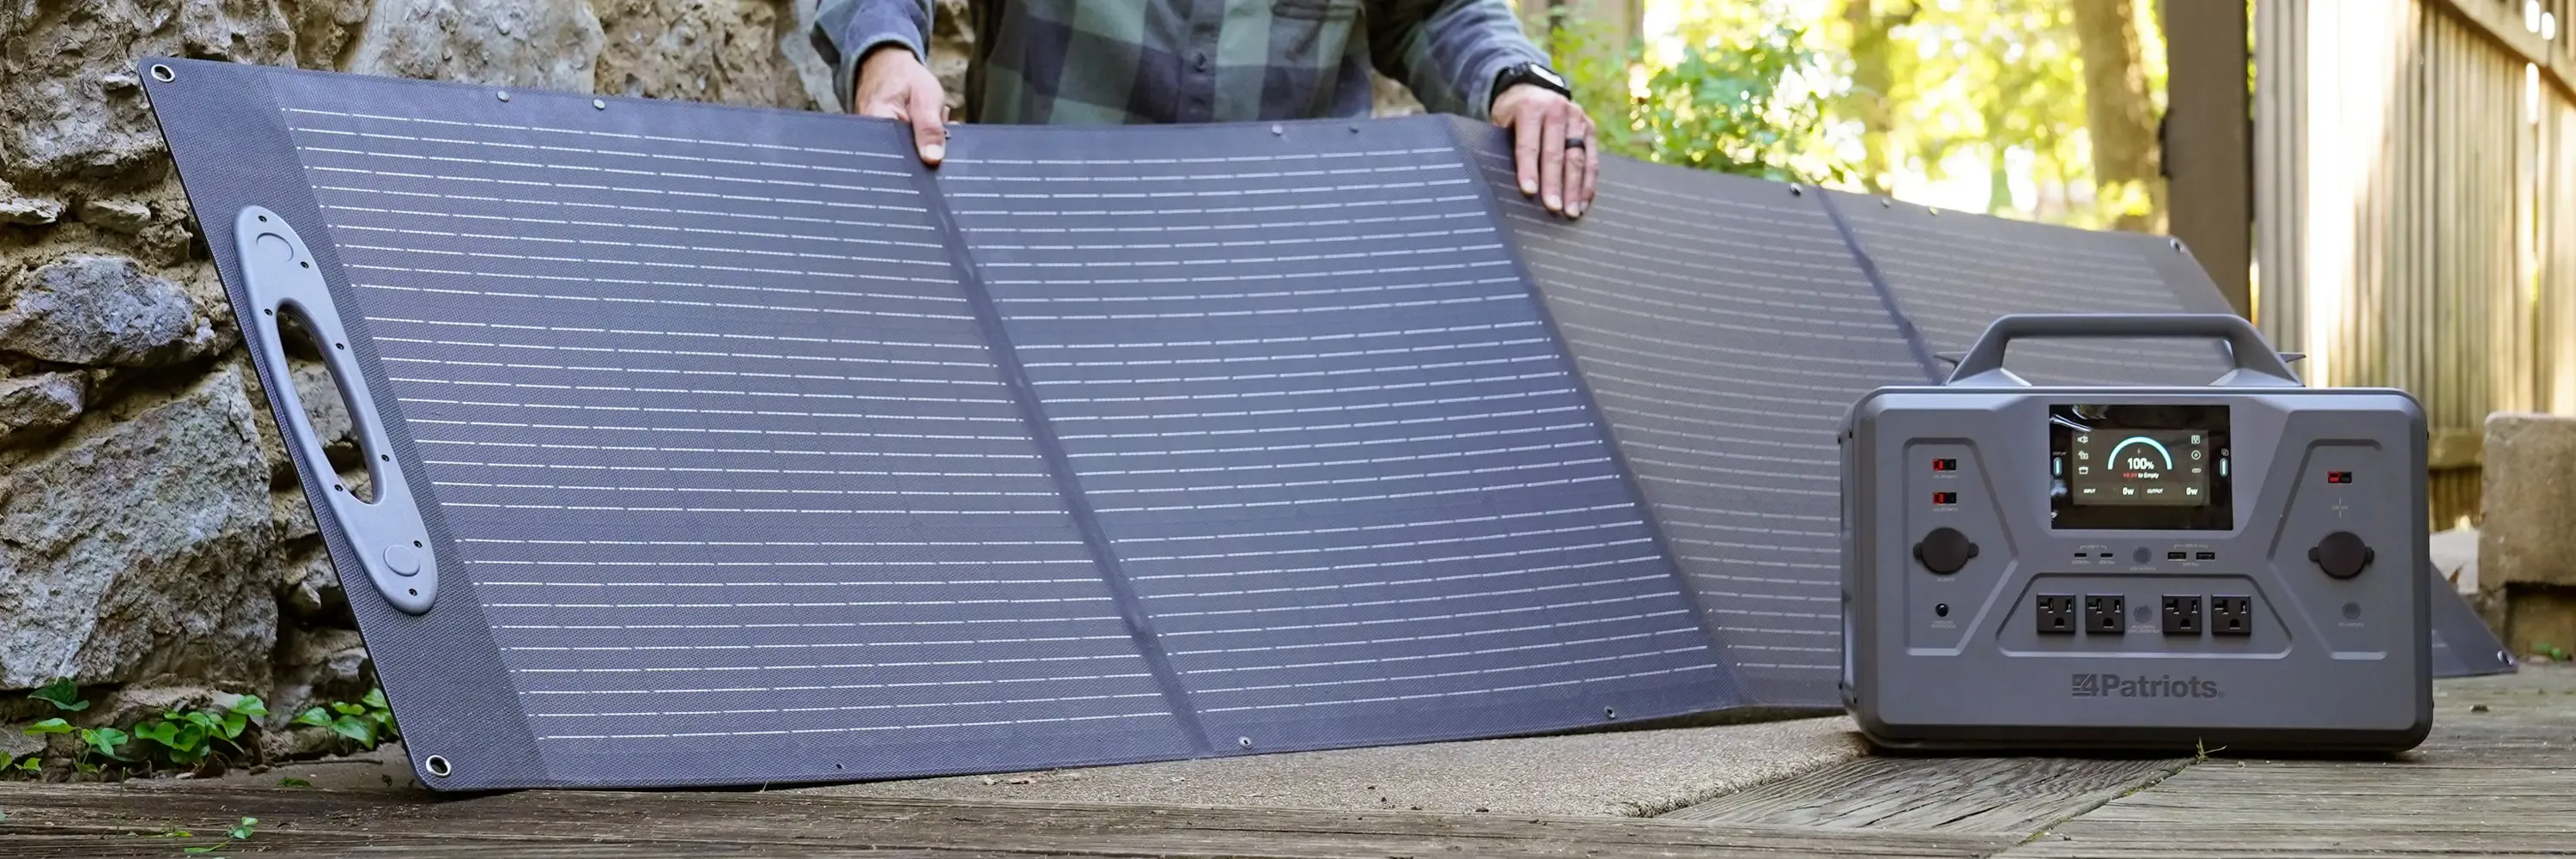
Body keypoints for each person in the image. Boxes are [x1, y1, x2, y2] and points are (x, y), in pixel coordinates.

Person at [812, 1, 1598, 218]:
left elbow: (1434, 11)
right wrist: (886, 51)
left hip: (1285, 277)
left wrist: (1516, 82)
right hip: (1040, 246)